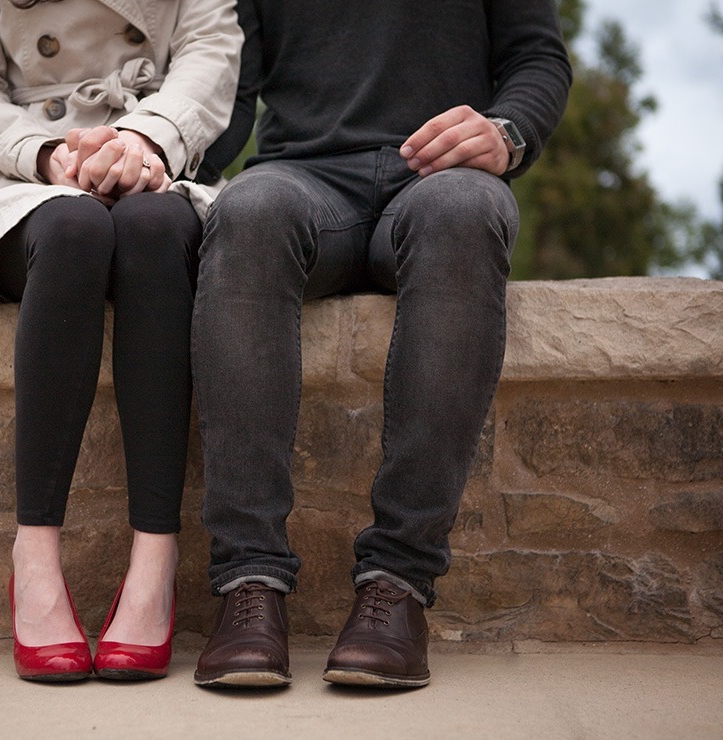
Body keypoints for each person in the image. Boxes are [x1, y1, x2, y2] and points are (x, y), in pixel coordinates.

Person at [190, 0, 572, 688]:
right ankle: (249, 585)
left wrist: (507, 132)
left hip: (440, 175)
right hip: (302, 176)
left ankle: (397, 584)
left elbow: (536, 58)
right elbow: (227, 92)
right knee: (244, 213)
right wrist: (151, 155)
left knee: (466, 211)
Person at [0, 0, 241, 682]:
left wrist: (143, 142)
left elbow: (210, 51)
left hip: (160, 157)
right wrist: (46, 155)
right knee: (76, 231)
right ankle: (33, 558)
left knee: (153, 229)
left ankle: (155, 564)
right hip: (23, 172)